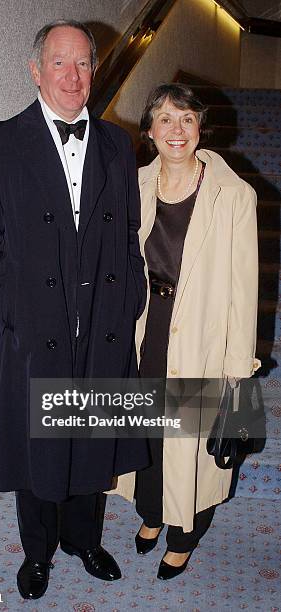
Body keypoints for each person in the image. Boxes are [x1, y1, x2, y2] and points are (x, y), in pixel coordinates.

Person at [0, 20, 148, 599]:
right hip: (31, 330)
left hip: (99, 327)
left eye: (84, 63)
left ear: (94, 72)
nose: (73, 75)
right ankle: (37, 552)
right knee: (39, 447)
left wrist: (128, 300)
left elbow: (129, 235)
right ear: (37, 71)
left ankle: (85, 540)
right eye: (60, 63)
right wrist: (13, 313)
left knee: (88, 439)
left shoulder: (119, 145)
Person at [115, 83, 260, 580]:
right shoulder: (131, 186)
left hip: (201, 331)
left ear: (201, 127)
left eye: (187, 119)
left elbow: (245, 285)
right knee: (148, 429)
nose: (176, 130)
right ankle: (153, 513)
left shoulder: (234, 195)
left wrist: (238, 368)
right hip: (144, 324)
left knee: (191, 440)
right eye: (165, 119)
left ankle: (184, 535)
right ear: (150, 130)